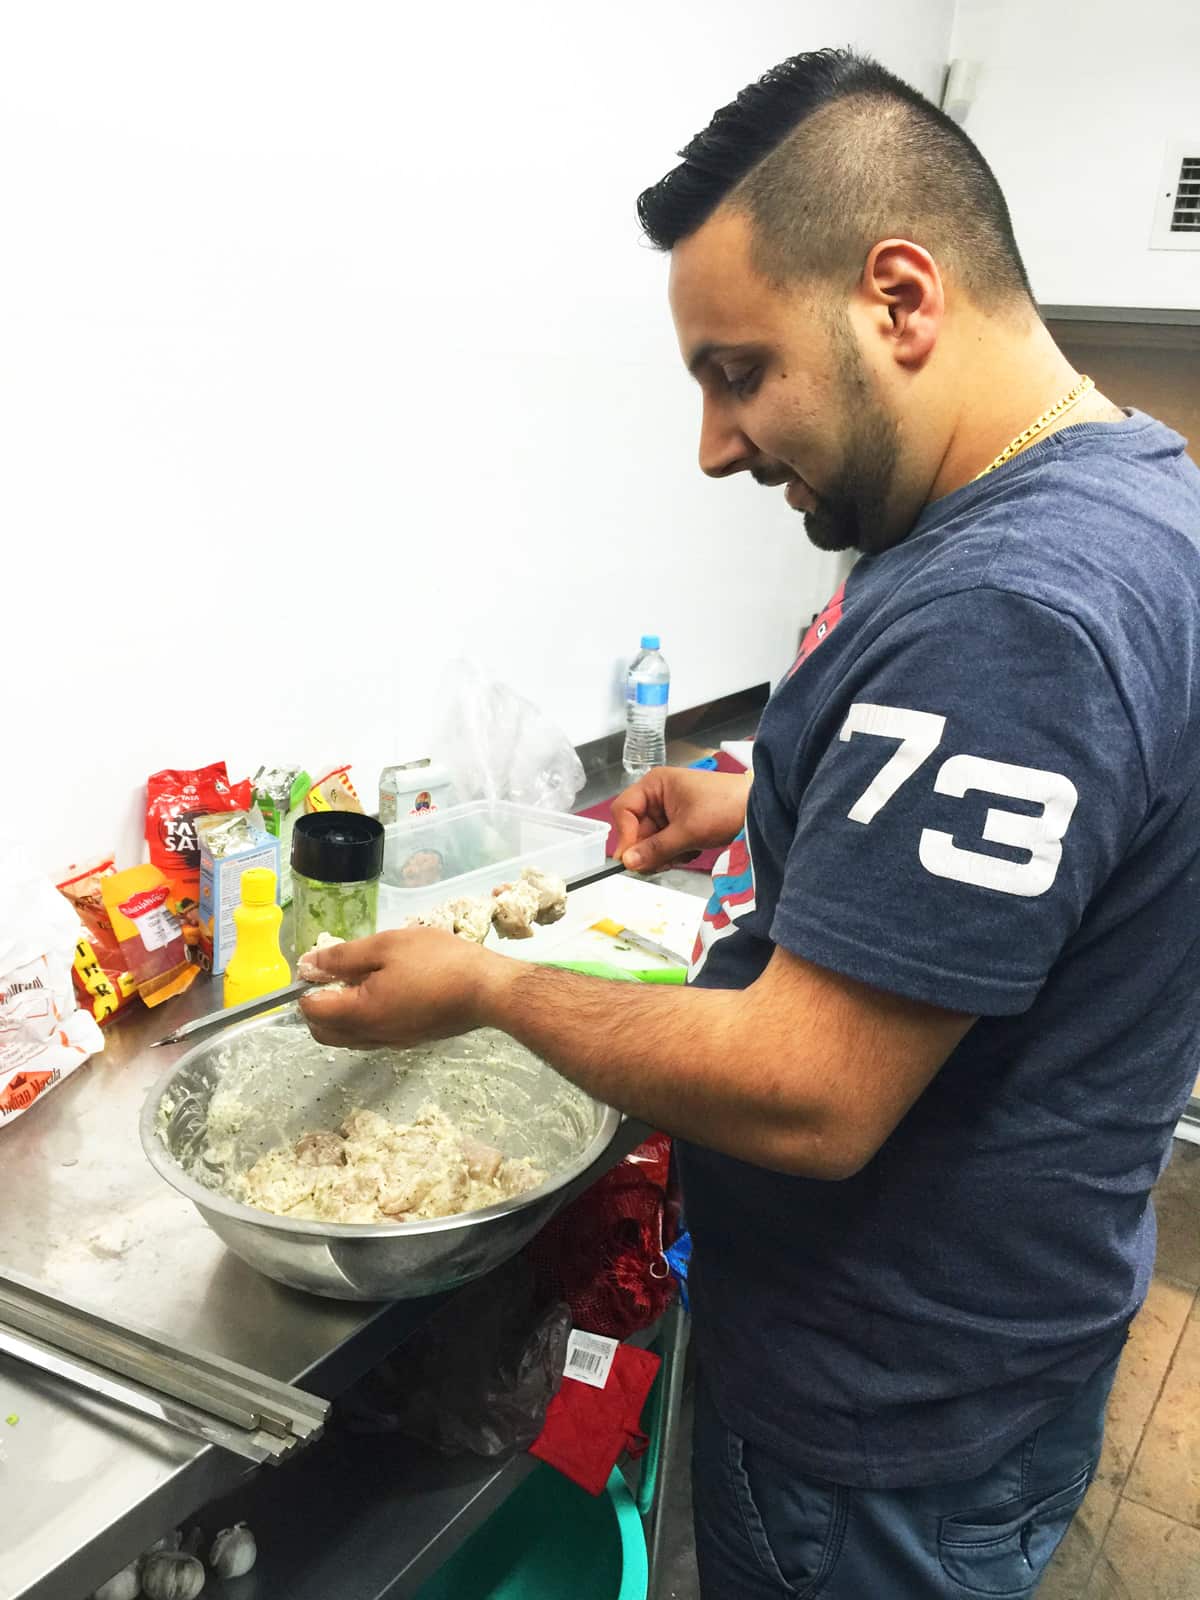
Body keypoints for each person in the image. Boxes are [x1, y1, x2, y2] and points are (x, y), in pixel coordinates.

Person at [302, 48, 1200, 1597]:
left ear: (899, 299)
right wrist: (762, 801)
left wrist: (495, 988)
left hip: (880, 1416)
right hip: (1002, 1354)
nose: (716, 445)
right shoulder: (1126, 500)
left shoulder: (1011, 608)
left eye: (737, 370)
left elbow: (813, 1092)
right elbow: (1036, 849)